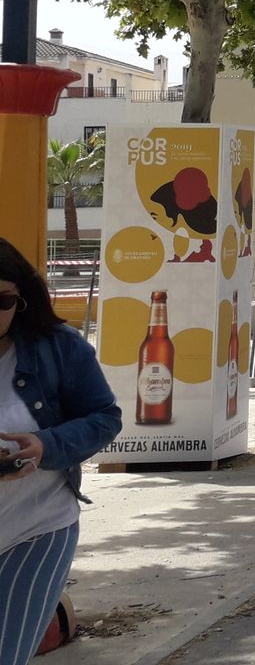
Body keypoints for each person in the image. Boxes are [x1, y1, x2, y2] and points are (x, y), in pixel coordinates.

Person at [0, 239, 121, 665]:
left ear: (21, 301)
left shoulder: (57, 348)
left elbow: (104, 417)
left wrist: (45, 445)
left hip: (36, 526)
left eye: (1, 299)